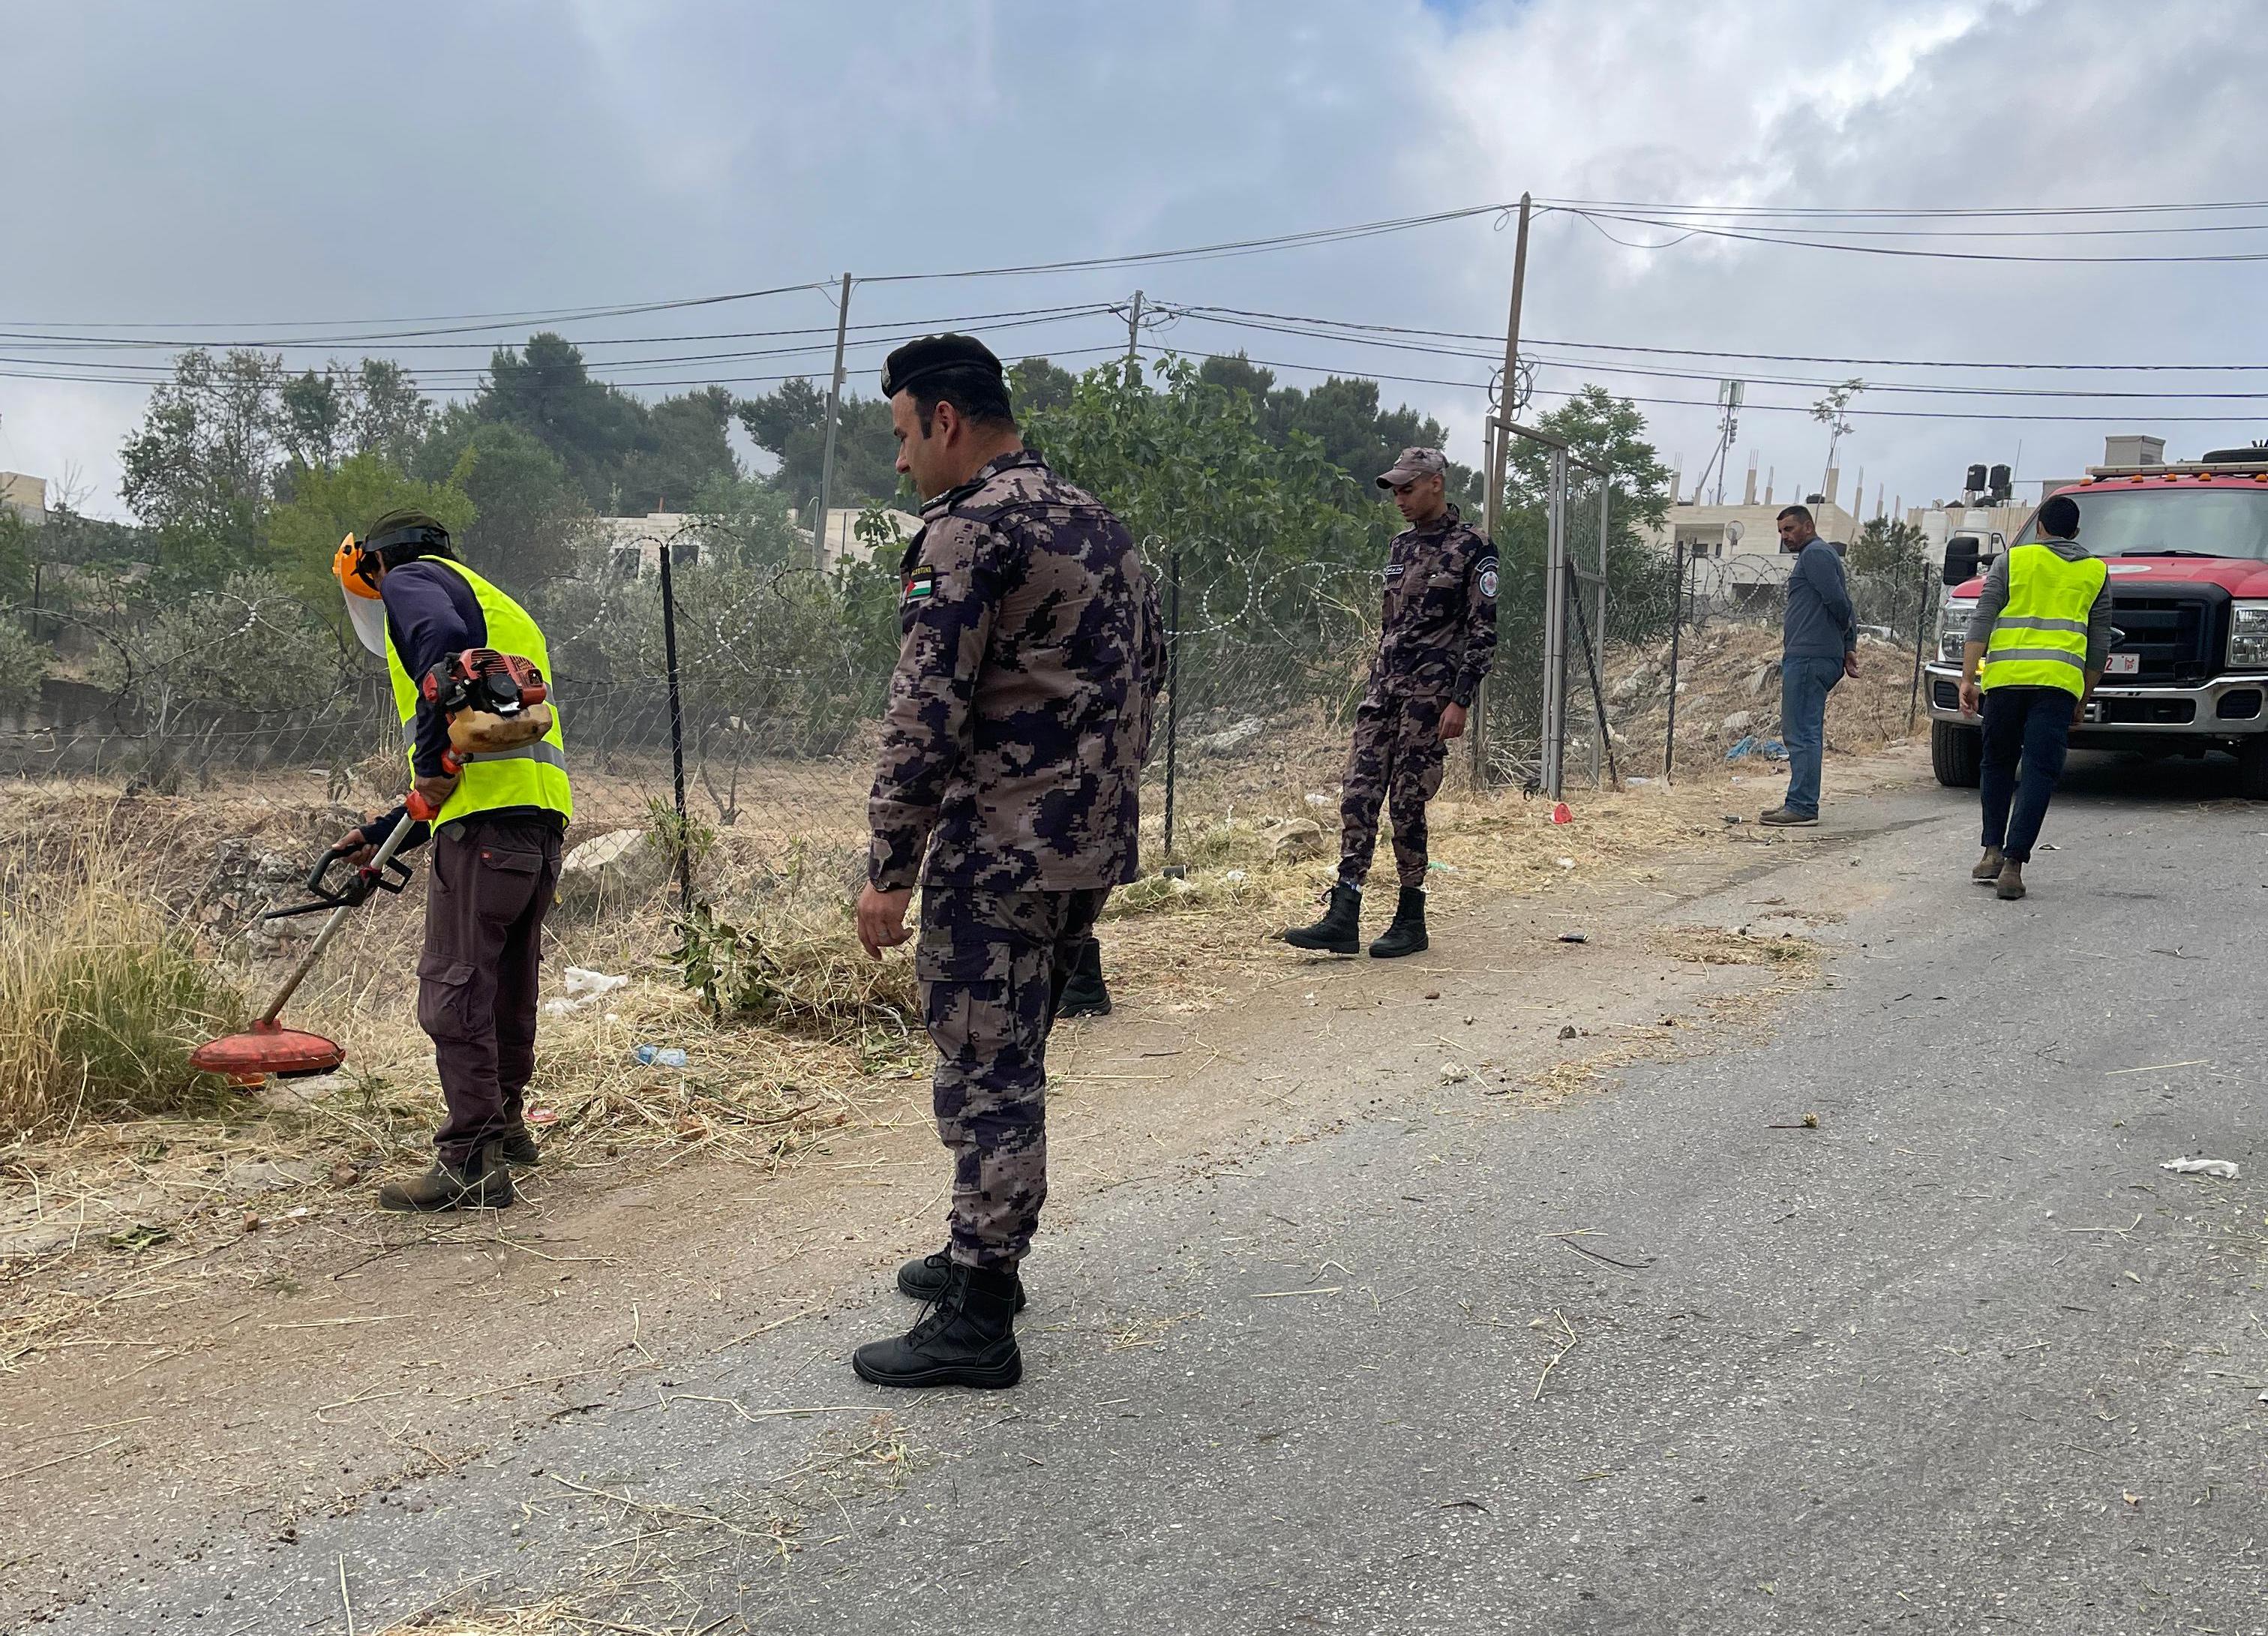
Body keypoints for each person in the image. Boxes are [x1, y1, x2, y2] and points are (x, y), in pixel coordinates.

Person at [851, 334, 1163, 1390]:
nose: (901, 459)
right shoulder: (1096, 521)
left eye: (904, 434)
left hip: (999, 848)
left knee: (988, 1070)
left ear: (946, 419)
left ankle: (981, 1313)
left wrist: (891, 864)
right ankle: (977, 1252)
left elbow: (924, 711)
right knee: (1011, 1054)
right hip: (1085, 843)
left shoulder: (969, 530)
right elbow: (1149, 671)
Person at [332, 511, 572, 1212]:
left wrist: (432, 761)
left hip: (484, 834)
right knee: (505, 990)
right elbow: (481, 750)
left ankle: (470, 1159)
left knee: (455, 990)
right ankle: (507, 1128)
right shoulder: (499, 605)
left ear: (376, 563)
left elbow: (440, 649)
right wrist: (386, 830)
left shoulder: (410, 580)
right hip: (537, 827)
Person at [1283, 447, 1496, 959]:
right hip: (1384, 691)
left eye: (1407, 488)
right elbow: (1390, 624)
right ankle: (1344, 911)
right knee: (1358, 794)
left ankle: (1410, 915)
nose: (1399, 499)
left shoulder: (1473, 546)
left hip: (1430, 698)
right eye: (1395, 490)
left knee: (1406, 802)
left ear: (1436, 484)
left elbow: (1483, 631)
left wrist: (1460, 699)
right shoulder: (1400, 546)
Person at [1959, 493, 2110, 900]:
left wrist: (1968, 678)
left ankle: (1991, 851)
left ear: (2039, 526)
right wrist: (2083, 697)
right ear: (2076, 532)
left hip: (2006, 681)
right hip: (2058, 685)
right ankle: (2013, 866)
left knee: (1997, 763)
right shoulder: (2096, 572)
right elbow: (2098, 646)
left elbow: (1982, 620)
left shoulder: (2011, 560)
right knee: (2039, 772)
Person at [1763, 504, 1858, 827]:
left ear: (1808, 526)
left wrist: (1845, 638)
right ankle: (1799, 801)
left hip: (1809, 657)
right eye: (1781, 531)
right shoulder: (1818, 555)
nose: (1785, 536)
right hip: (1815, 654)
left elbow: (1839, 602)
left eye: (1789, 529)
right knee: (1804, 730)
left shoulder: (1815, 554)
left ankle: (1802, 806)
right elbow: (1844, 602)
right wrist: (1848, 646)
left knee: (1801, 732)